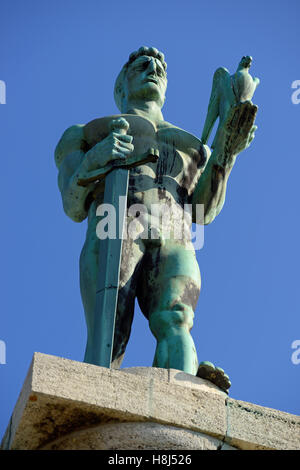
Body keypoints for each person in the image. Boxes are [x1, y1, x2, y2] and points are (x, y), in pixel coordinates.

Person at [55, 47, 257, 390]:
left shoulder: (194, 146)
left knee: (177, 320)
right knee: (109, 336)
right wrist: (95, 160)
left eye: (160, 68)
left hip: (174, 236)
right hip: (114, 225)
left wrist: (225, 153)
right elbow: (72, 203)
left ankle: (183, 387)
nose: (153, 69)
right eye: (142, 65)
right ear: (121, 85)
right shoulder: (87, 132)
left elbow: (203, 210)